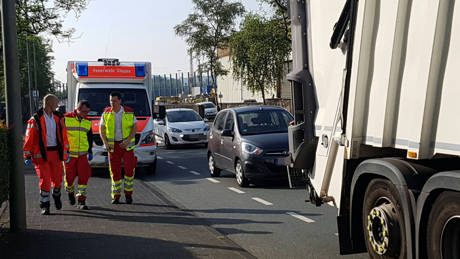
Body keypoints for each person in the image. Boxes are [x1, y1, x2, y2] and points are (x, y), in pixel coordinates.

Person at [23, 94, 69, 215]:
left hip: (56, 154)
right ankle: (45, 205)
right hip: (41, 155)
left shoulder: (59, 117)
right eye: (56, 103)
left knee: (58, 179)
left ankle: (56, 195)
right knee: (46, 181)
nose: (58, 105)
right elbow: (29, 137)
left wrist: (66, 152)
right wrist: (27, 154)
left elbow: (64, 136)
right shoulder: (35, 119)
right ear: (49, 103)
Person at [99, 92, 138, 204]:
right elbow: (101, 129)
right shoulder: (106, 113)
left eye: (115, 101)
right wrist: (105, 143)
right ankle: (116, 196)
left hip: (127, 146)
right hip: (113, 147)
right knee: (114, 171)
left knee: (129, 170)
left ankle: (128, 195)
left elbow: (135, 127)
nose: (112, 103)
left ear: (120, 101)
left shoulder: (129, 112)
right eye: (111, 100)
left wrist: (127, 140)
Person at [63, 100, 93, 210]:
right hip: (69, 155)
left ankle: (81, 201)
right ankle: (70, 192)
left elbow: (90, 137)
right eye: (84, 112)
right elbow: (61, 136)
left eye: (88, 112)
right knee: (69, 178)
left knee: (83, 177)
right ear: (78, 109)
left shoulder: (87, 122)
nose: (86, 114)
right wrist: (63, 152)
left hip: (82, 155)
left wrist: (90, 150)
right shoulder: (66, 118)